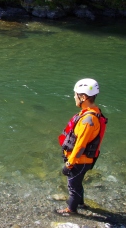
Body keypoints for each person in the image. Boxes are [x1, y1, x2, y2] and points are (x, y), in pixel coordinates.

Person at [57, 78, 106, 215]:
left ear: (83, 97)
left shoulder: (87, 120)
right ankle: (81, 203)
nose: (74, 97)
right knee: (77, 184)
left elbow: (80, 146)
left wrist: (69, 164)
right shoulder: (92, 112)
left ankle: (71, 210)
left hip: (79, 161)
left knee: (72, 186)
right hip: (84, 161)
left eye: (75, 95)